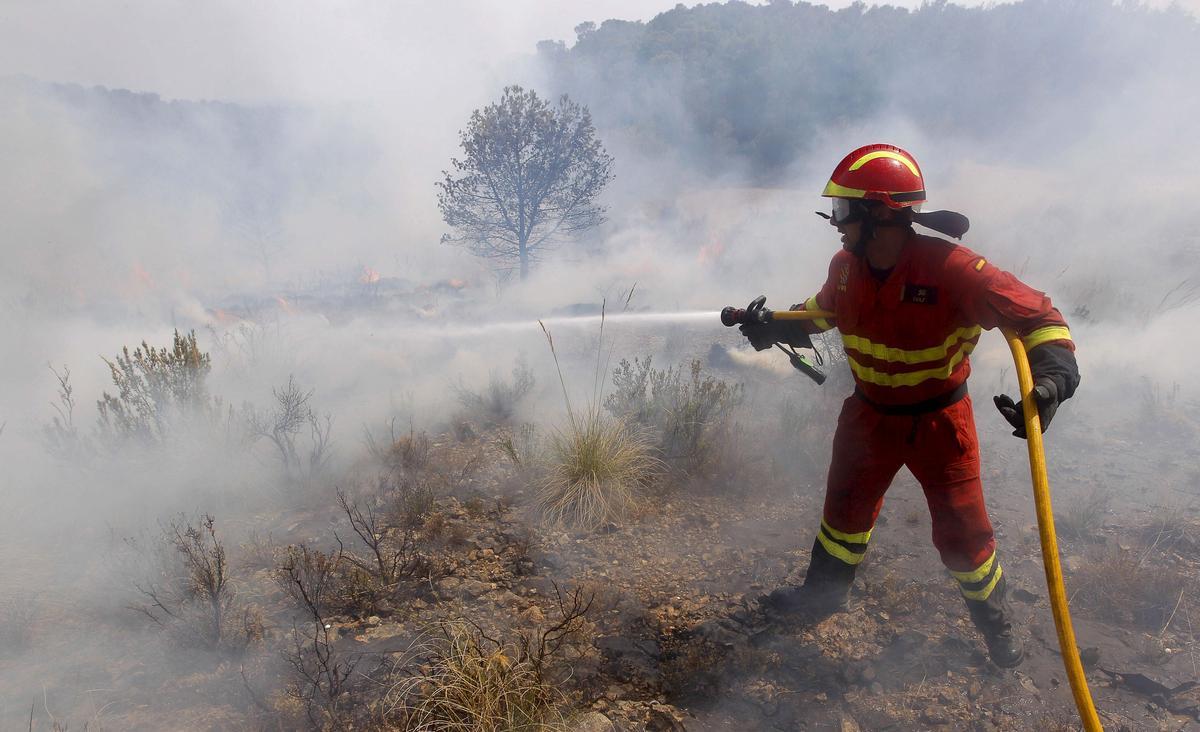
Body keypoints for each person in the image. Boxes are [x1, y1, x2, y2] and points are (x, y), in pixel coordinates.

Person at [741, 143, 1080, 668]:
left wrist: (1055, 375)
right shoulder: (846, 267)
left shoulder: (955, 269)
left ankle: (997, 626)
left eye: (842, 211)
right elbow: (821, 311)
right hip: (868, 416)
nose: (835, 225)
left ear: (879, 213)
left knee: (964, 534)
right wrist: (773, 326)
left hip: (940, 424)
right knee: (843, 515)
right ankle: (820, 598)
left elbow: (1039, 315)